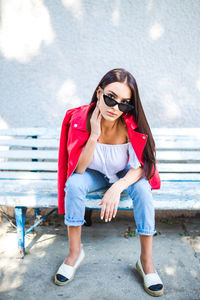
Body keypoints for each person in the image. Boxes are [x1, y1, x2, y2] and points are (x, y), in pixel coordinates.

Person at [54, 68, 164, 297]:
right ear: (98, 92)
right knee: (74, 184)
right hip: (93, 173)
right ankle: (74, 253)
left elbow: (142, 167)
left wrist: (117, 187)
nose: (115, 108)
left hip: (124, 175)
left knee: (143, 189)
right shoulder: (79, 118)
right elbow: (80, 168)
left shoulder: (131, 124)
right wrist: (93, 135)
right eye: (110, 98)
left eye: (124, 103)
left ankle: (146, 261)